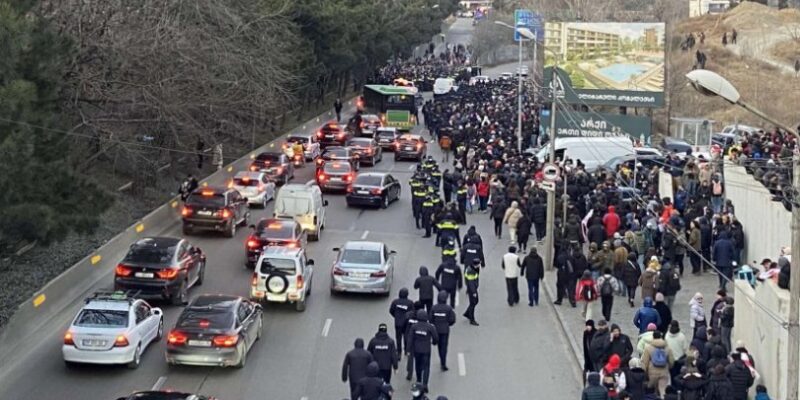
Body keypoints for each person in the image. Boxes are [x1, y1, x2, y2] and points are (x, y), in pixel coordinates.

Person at [408, 309, 438, 392]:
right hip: (426, 350)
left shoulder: (414, 326)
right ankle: (425, 384)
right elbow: (435, 337)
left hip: (417, 350)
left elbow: (410, 338)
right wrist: (434, 343)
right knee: (426, 367)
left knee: (418, 366)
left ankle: (418, 381)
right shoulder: (430, 326)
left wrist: (408, 350)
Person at [641, 331, 674, 397]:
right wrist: (668, 368)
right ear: (661, 337)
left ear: (653, 337)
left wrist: (645, 372)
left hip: (652, 373)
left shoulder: (648, 348)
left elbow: (645, 362)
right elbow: (671, 361)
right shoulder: (667, 348)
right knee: (663, 390)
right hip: (664, 371)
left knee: (653, 392)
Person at [429, 291, 455, 371]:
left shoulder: (434, 308)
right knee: (444, 347)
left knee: (439, 345)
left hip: (436, 330)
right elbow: (452, 319)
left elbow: (430, 319)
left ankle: (441, 357)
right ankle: (443, 363)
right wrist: (447, 324)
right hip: (445, 330)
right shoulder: (448, 308)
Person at [389, 288, 415, 358]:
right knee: (406, 336)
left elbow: (391, 310)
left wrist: (396, 316)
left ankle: (399, 352)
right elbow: (413, 312)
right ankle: (406, 350)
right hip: (406, 323)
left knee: (398, 338)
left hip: (398, 323)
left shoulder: (395, 302)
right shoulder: (410, 303)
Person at [463, 261, 480, 326]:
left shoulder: (472, 268)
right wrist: (474, 292)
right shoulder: (471, 272)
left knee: (475, 301)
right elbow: (471, 283)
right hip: (472, 290)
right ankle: (472, 319)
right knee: (473, 303)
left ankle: (467, 313)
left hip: (472, 289)